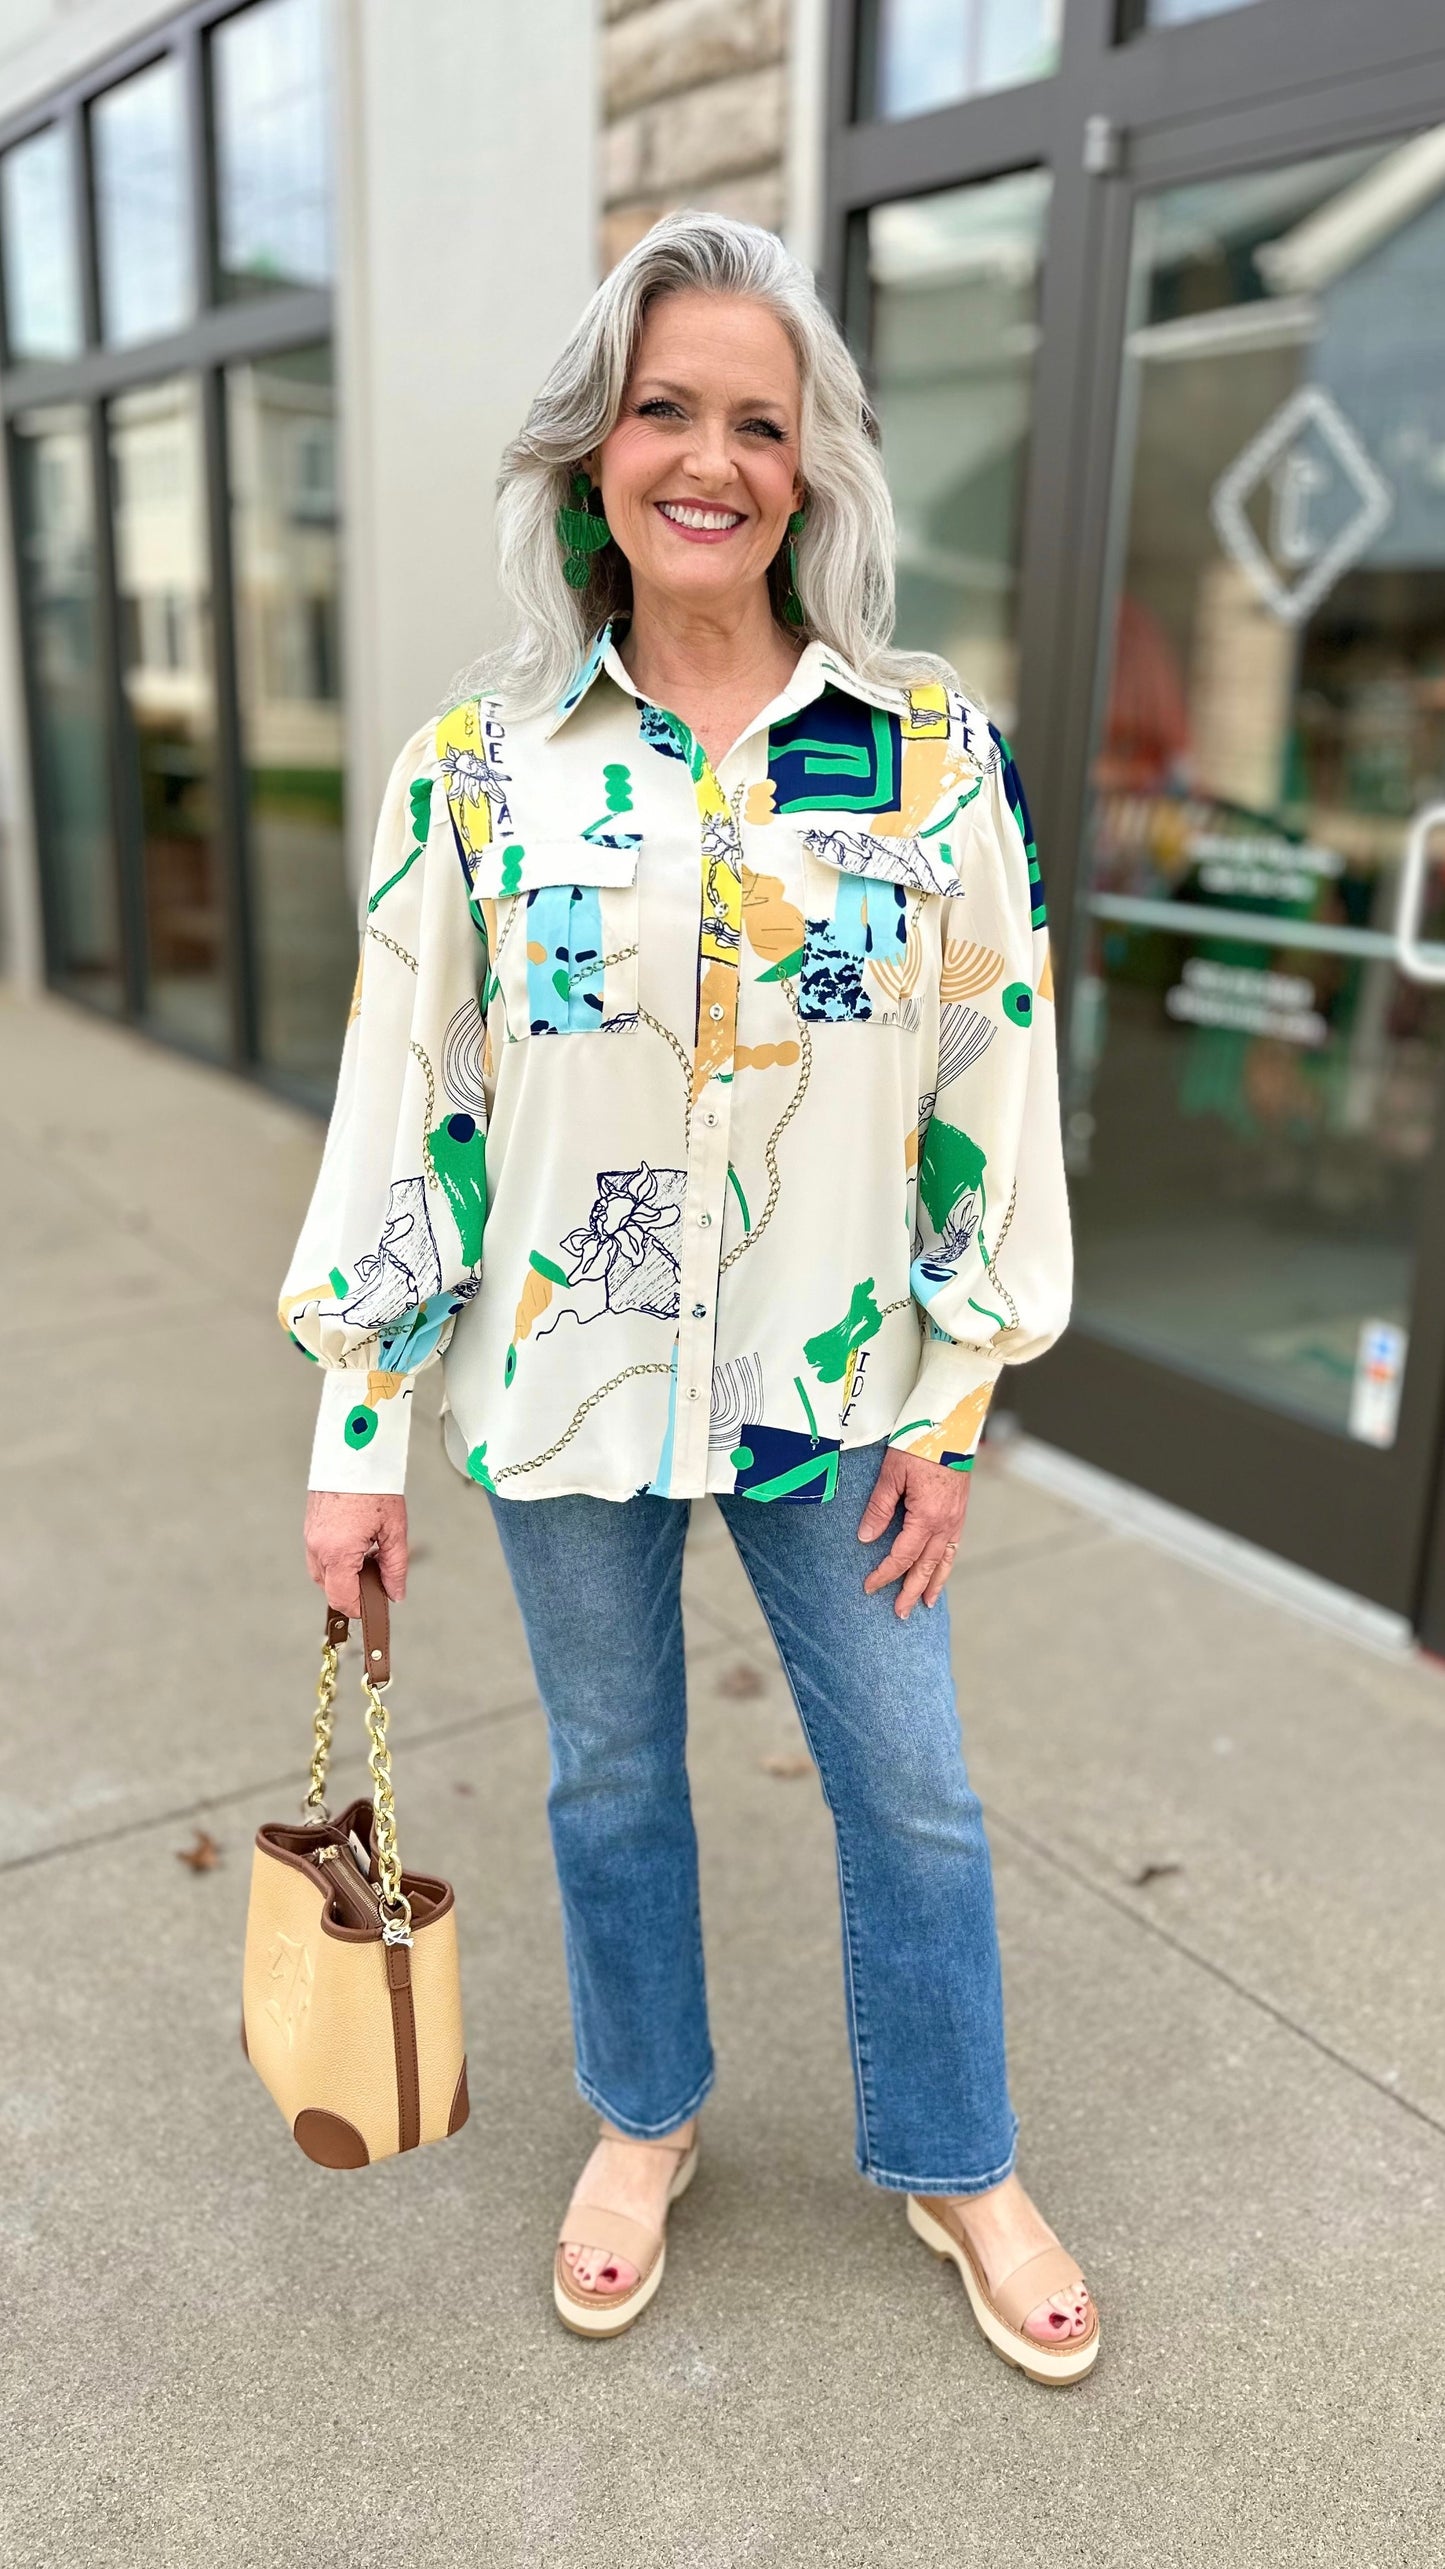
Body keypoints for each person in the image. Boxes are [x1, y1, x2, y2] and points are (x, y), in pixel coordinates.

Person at [284, 212, 1096, 2384]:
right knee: (613, 1776)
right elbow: (406, 1105)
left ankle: (953, 2151)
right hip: (561, 1389)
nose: (710, 457)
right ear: (593, 452)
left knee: (912, 1785)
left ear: (813, 468)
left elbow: (991, 1074)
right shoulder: (476, 769)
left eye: (761, 418)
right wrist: (358, 1441)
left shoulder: (927, 755)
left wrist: (954, 1402)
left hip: (834, 1395)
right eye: (666, 408)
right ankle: (645, 2123)